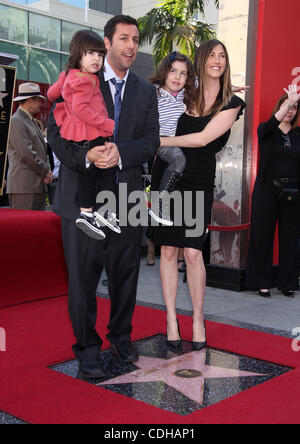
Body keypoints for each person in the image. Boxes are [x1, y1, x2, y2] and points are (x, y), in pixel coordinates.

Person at [47, 15, 160, 379]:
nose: (131, 45)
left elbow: (151, 140)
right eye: (123, 38)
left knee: (126, 274)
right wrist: (87, 156)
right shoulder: (78, 78)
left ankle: (121, 337)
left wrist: (120, 152)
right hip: (82, 195)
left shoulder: (145, 90)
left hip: (126, 196)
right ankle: (87, 348)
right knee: (83, 277)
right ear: (106, 43)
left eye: (136, 39)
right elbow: (55, 132)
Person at [151, 40, 246, 352]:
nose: (217, 60)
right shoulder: (185, 92)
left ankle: (197, 319)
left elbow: (205, 138)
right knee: (167, 250)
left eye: (223, 55)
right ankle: (170, 318)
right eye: (212, 55)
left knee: (192, 253)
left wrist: (161, 140)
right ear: (201, 60)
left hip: (198, 182)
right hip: (168, 177)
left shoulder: (231, 102)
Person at [47, 30, 119, 241]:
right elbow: (81, 109)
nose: (96, 58)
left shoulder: (67, 75)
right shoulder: (84, 80)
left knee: (98, 174)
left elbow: (52, 94)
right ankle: (91, 213)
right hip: (90, 134)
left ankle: (95, 213)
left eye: (99, 54)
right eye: (90, 53)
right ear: (78, 54)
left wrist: (61, 96)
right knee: (100, 174)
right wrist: (105, 123)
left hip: (80, 134)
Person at [246, 85, 300, 298]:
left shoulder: (298, 134)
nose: (290, 110)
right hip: (267, 191)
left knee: (290, 239)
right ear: (279, 107)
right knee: (262, 237)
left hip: (293, 193)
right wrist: (290, 99)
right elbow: (270, 124)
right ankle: (262, 282)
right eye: (287, 106)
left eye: (295, 107)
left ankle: (287, 283)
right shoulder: (266, 130)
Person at [148, 52, 197, 226]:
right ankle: (159, 206)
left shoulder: (187, 93)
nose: (177, 77)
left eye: (182, 73)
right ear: (164, 72)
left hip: (178, 141)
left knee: (184, 161)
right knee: (178, 160)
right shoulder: (153, 92)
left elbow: (211, 86)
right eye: (172, 71)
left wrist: (230, 87)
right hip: (161, 140)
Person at [7, 83, 53, 211]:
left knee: (35, 229)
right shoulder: (16, 120)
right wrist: (46, 171)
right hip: (24, 186)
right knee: (21, 228)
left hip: (34, 186)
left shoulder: (30, 121)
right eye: (38, 100)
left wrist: (46, 170)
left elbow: (42, 151)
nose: (40, 103)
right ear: (29, 101)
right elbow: (26, 153)